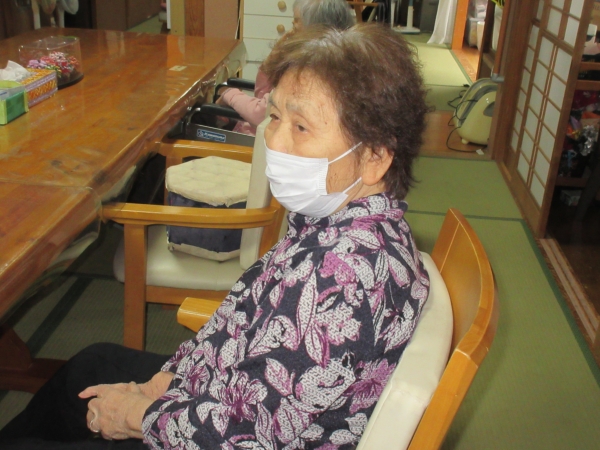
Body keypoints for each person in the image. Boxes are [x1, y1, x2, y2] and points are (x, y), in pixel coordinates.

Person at [0, 23, 429, 449]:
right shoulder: (335, 221)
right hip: (220, 392)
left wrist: (135, 416)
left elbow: (248, 434)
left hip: (223, 435)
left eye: (300, 128)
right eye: (274, 117)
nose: (275, 141)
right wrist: (168, 379)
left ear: (374, 158)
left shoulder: (342, 278)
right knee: (89, 367)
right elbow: (241, 326)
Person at [216, 0, 355, 136]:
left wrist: (229, 94)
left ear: (315, 27)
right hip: (262, 132)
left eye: (297, 20)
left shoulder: (308, 69)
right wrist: (273, 60)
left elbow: (262, 115)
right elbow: (263, 97)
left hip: (263, 142)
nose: (292, 25)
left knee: (207, 116)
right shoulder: (336, 59)